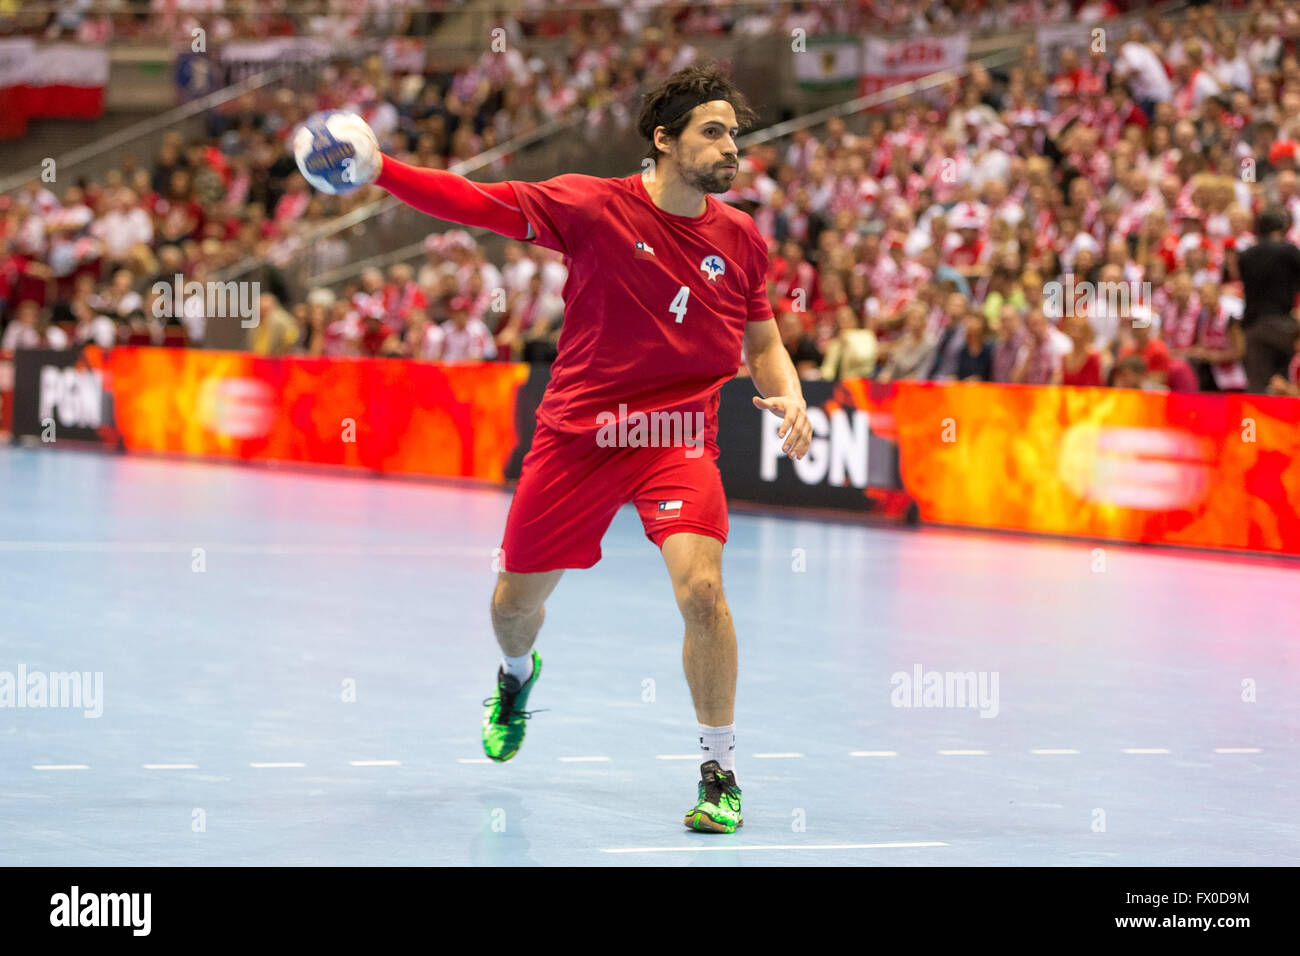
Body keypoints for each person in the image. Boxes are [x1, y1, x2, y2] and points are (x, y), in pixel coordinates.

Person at [298, 63, 812, 834]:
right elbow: (475, 203)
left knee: (701, 590)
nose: (731, 146)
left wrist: (792, 392)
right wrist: (381, 171)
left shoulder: (740, 239)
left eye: (734, 133)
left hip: (676, 438)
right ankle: (514, 677)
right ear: (664, 141)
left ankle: (720, 771)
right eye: (714, 132)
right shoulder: (590, 206)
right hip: (577, 436)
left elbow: (763, 343)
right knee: (514, 608)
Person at [1237, 207, 1300, 392]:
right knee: (1289, 380)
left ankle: (1254, 421)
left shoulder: (1246, 255)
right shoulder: (1289, 251)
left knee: (1257, 387)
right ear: (1281, 228)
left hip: (1253, 326)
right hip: (1283, 324)